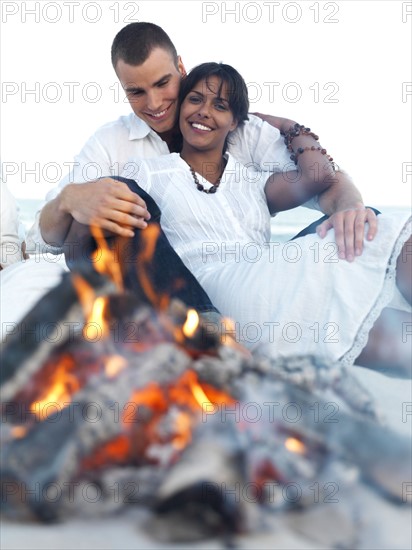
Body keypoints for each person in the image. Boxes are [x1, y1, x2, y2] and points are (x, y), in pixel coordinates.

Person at [112, 61, 411, 367]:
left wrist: (283, 125)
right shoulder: (148, 173)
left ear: (234, 123)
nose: (204, 111)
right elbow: (119, 239)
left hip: (266, 287)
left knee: (365, 311)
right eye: (195, 99)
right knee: (367, 240)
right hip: (209, 297)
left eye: (220, 105)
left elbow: (319, 174)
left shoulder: (251, 181)